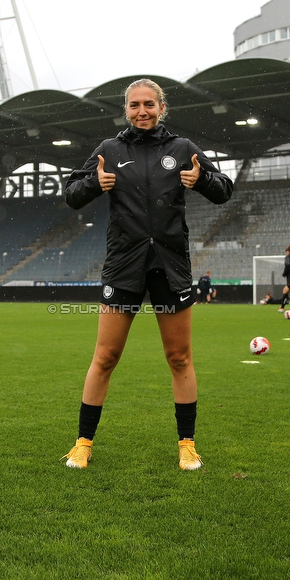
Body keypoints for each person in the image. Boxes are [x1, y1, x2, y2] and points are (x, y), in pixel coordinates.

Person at [62, 78, 233, 470]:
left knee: (179, 357)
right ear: (126, 110)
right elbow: (71, 193)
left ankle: (186, 444)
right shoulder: (109, 150)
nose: (142, 111)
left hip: (170, 268)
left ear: (162, 108)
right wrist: (95, 182)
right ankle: (83, 443)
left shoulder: (183, 149)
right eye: (135, 105)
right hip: (124, 266)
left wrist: (201, 179)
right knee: (105, 357)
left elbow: (225, 188)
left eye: (149, 104)